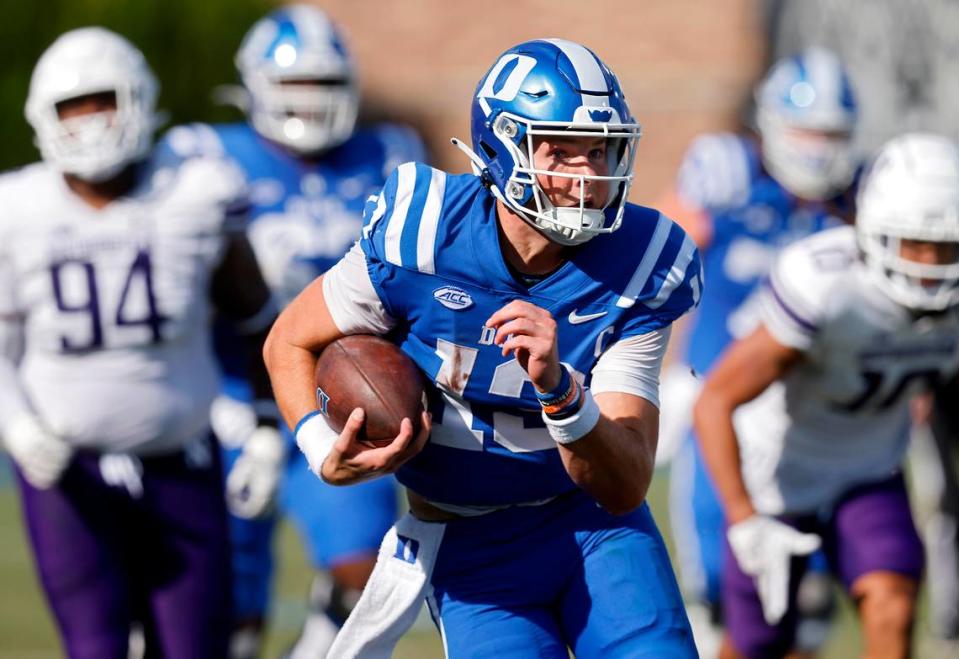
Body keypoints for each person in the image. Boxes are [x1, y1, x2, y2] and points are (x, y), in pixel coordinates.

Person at [264, 38, 702, 657]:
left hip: (594, 529)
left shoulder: (643, 264)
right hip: (468, 548)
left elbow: (625, 482)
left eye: (598, 150)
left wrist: (562, 392)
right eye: (561, 150)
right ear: (501, 146)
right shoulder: (421, 234)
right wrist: (317, 445)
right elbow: (290, 339)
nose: (587, 174)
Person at [0, 27, 277, 659]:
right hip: (69, 472)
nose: (91, 122)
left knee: (192, 648)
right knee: (95, 647)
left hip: (183, 459)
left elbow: (256, 317)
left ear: (141, 102)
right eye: (74, 106)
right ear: (43, 118)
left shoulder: (197, 190)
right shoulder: (16, 208)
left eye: (104, 100)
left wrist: (265, 428)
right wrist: (16, 426)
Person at [164, 5, 427, 658]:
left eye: (323, 85)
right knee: (230, 612)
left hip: (343, 396)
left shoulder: (389, 155)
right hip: (230, 400)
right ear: (254, 84)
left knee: (365, 574)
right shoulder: (203, 158)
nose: (309, 102)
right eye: (294, 84)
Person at [694, 132, 959, 659]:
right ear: (876, 233)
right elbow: (714, 401)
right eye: (915, 244)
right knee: (759, 644)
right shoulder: (826, 285)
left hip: (867, 469)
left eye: (946, 248)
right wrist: (744, 518)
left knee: (893, 603)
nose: (930, 266)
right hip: (778, 474)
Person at [655, 47, 858, 656]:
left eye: (831, 133)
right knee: (722, 591)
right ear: (770, 125)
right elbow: (654, 258)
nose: (818, 148)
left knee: (805, 594)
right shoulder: (726, 173)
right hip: (723, 407)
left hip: (810, 417)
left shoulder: (854, 200)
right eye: (805, 130)